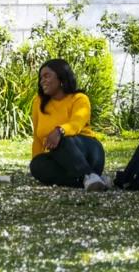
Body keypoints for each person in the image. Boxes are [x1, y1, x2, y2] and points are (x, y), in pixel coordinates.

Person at [29, 58, 110, 191]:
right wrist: (35, 160)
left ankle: (89, 174)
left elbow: (76, 124)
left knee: (62, 140)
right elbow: (37, 138)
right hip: (60, 157)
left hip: (87, 151)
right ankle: (91, 180)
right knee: (37, 165)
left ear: (61, 77)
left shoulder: (79, 99)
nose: (42, 81)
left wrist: (59, 131)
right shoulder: (39, 102)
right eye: (41, 77)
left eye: (47, 76)